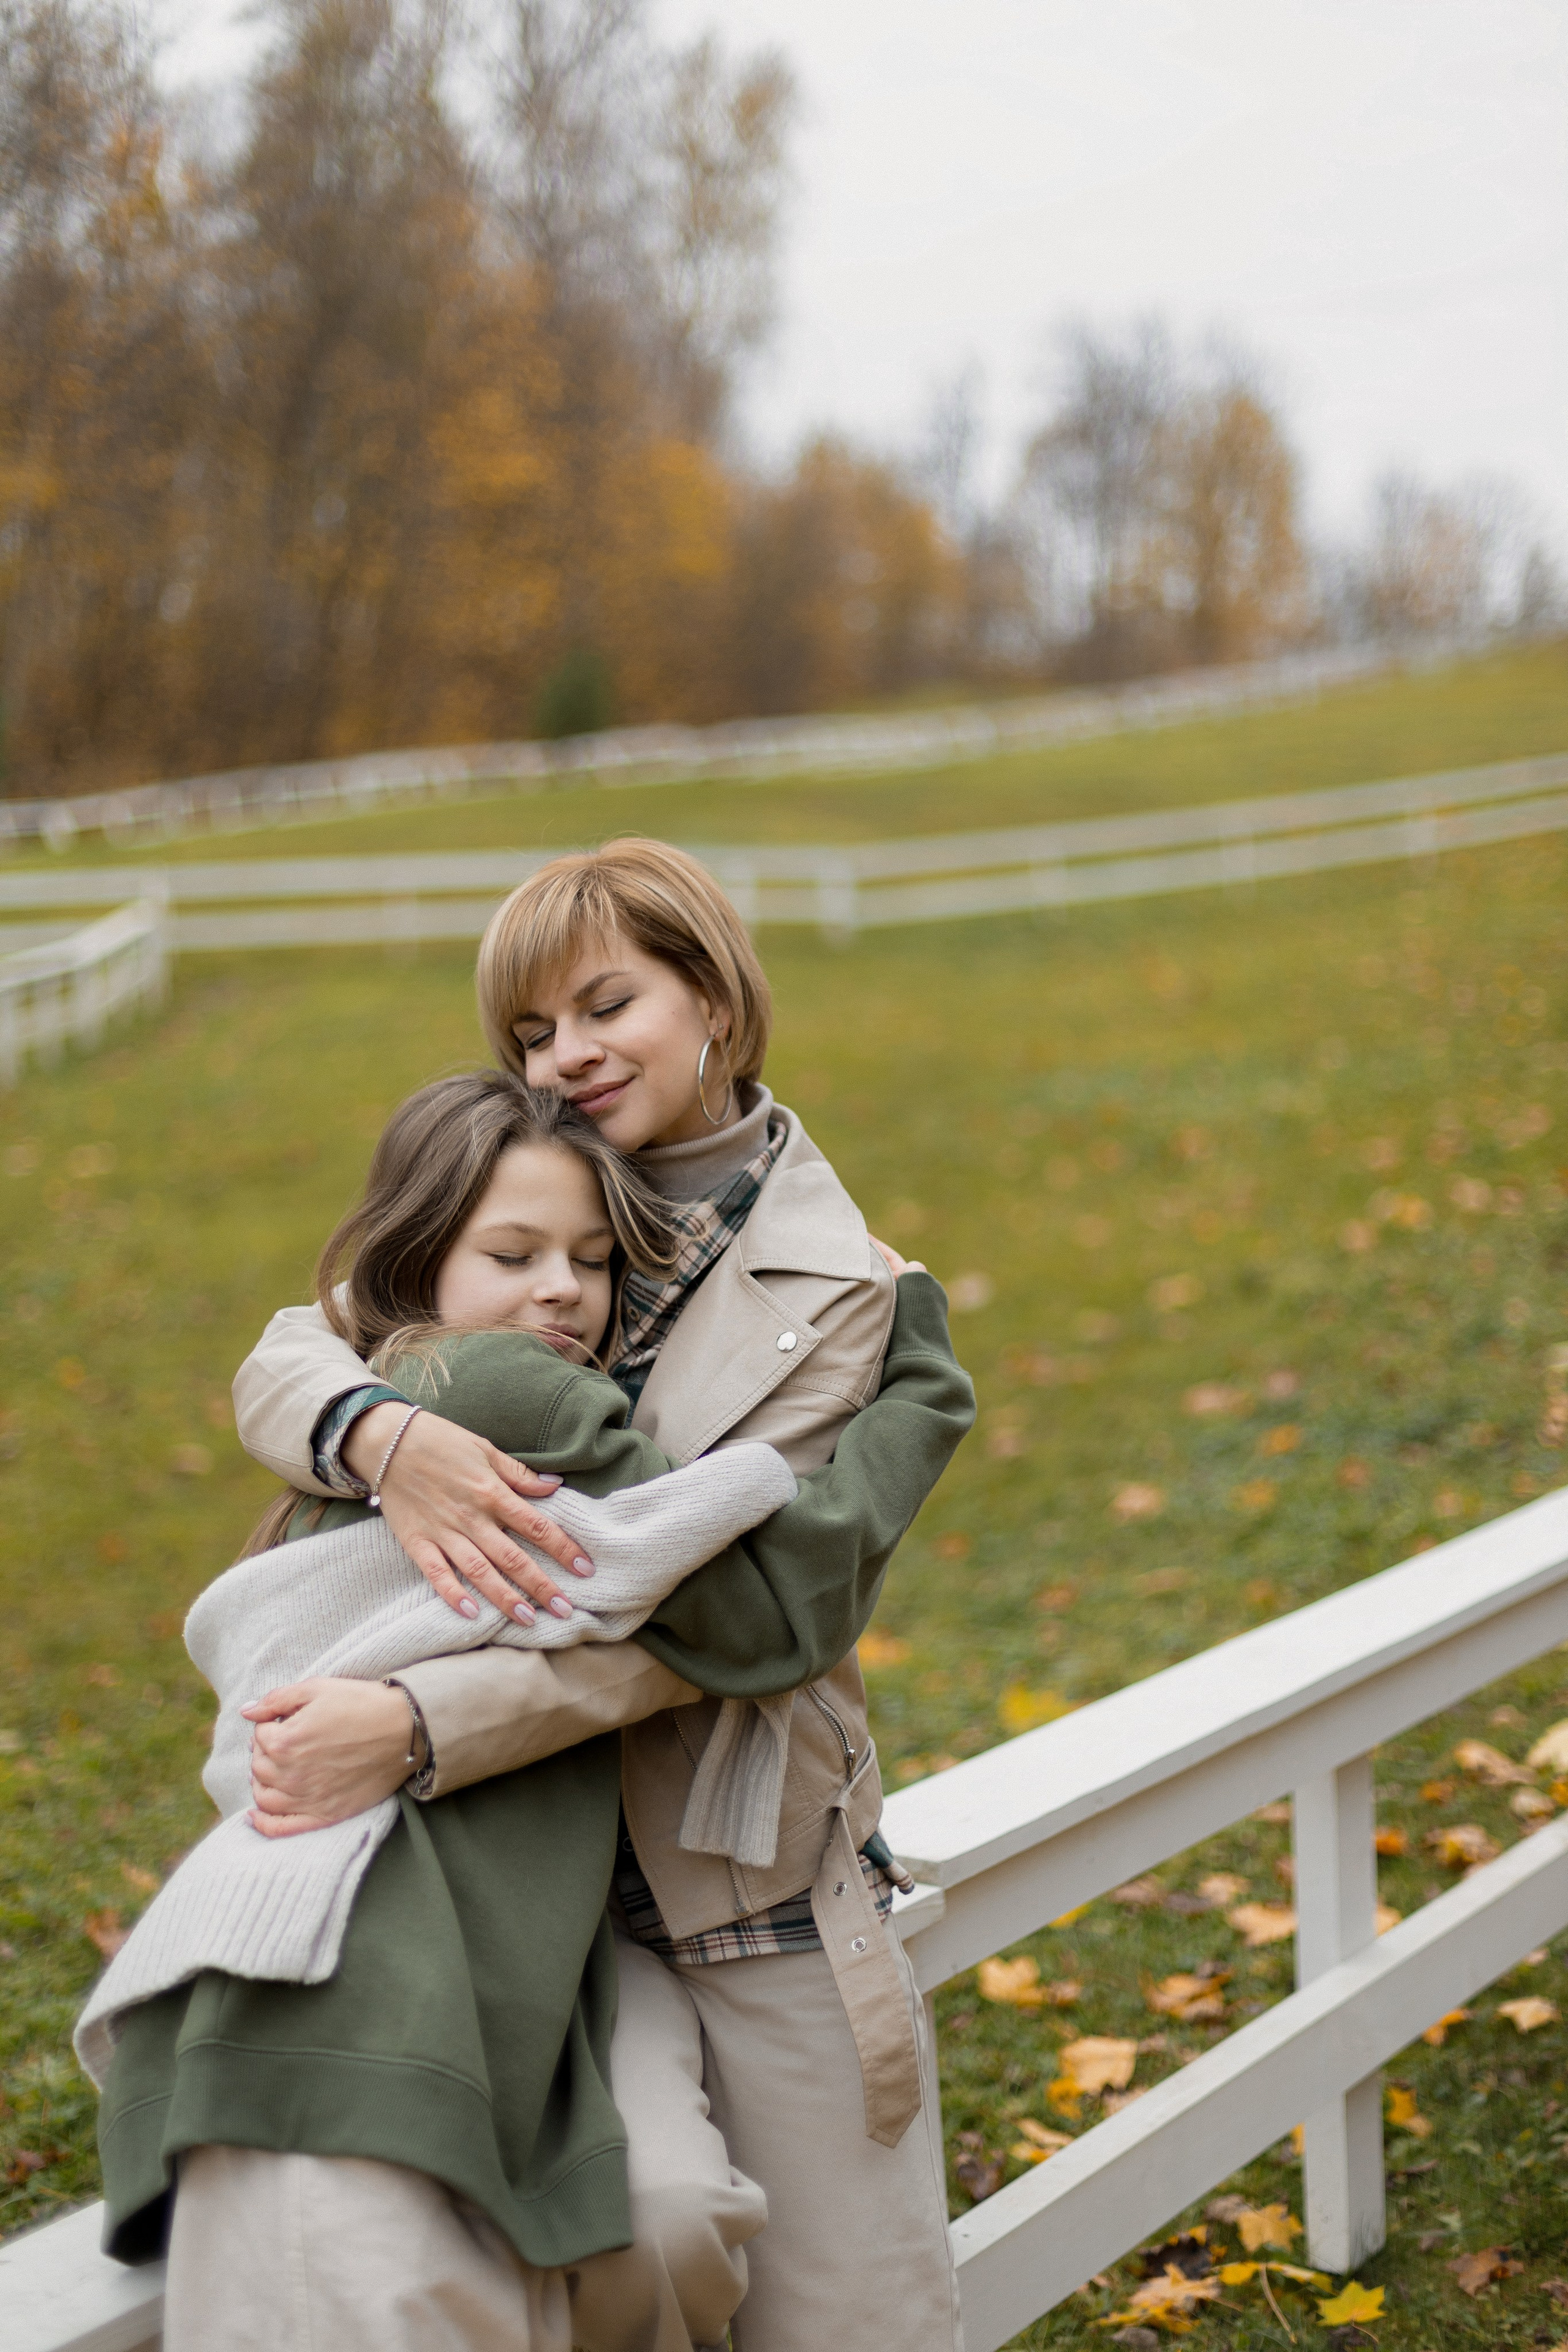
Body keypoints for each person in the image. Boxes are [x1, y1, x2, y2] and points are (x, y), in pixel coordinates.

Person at [91, 1065, 971, 2352]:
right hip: (418, 1886)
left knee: (638, 2213)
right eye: (513, 1255)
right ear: (421, 1262)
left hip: (451, 1877)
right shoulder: (514, 1390)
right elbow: (762, 1612)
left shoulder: (401, 1378)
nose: (562, 1288)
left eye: (593, 1260)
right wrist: (924, 1389)